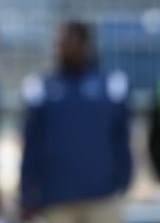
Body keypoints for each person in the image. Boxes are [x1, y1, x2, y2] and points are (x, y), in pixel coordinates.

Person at [20, 22, 132, 223]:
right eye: (59, 44)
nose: (62, 49)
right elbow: (32, 142)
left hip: (102, 196)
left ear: (85, 44)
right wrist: (28, 192)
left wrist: (122, 181)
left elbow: (121, 138)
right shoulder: (42, 87)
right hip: (57, 197)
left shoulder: (111, 85)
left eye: (68, 42)